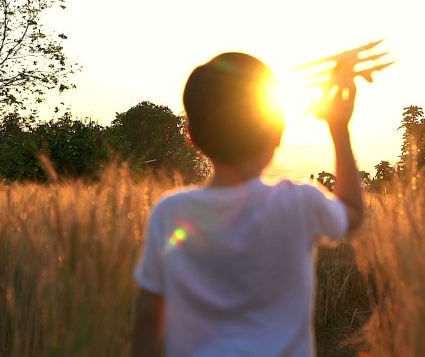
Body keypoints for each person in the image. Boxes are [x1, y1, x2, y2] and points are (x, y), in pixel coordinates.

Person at [132, 52, 364, 357]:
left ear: (191, 137)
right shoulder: (298, 203)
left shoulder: (170, 213)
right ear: (277, 132)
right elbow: (352, 213)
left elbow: (148, 318)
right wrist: (339, 128)